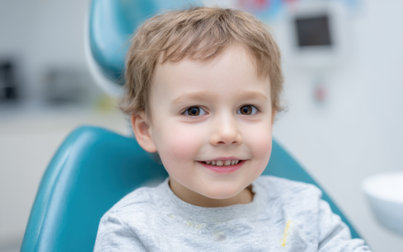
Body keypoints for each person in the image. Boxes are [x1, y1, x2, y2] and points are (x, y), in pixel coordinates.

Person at [94, 7, 371, 251]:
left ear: (271, 118)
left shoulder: (304, 210)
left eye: (247, 109)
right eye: (194, 111)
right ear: (146, 130)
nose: (227, 133)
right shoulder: (132, 229)